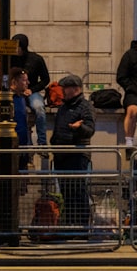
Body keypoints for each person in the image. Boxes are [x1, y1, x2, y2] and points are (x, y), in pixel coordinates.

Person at [49, 74, 96, 226]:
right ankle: (69, 225)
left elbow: (90, 129)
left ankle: (81, 228)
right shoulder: (63, 107)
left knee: (78, 192)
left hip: (76, 156)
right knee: (66, 193)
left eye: (65, 89)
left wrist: (79, 128)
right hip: (61, 156)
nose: (62, 92)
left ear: (75, 89)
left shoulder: (85, 106)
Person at [8, 34, 51, 146]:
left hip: (32, 91)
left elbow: (45, 79)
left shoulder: (36, 59)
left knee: (39, 107)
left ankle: (42, 142)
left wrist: (32, 89)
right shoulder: (9, 59)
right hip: (14, 91)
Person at [0, 67, 32, 148]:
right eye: (24, 80)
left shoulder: (22, 98)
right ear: (14, 82)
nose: (28, 83)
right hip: (6, 145)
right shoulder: (2, 99)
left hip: (22, 144)